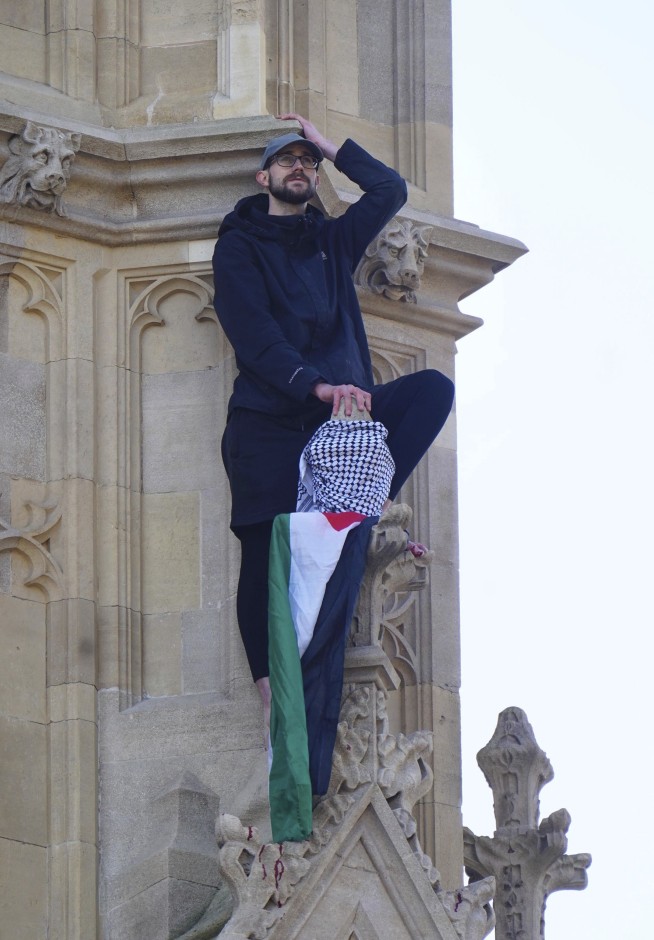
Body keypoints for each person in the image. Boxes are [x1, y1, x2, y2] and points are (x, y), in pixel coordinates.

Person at [212, 113, 454, 730]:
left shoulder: (331, 240)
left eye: (308, 162)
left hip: (341, 421)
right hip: (270, 421)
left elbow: (390, 191)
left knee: (430, 392)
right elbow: (254, 335)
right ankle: (271, 693)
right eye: (288, 159)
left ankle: (367, 500)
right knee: (262, 550)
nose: (301, 167)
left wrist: (330, 144)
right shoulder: (238, 244)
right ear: (263, 175)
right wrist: (315, 385)